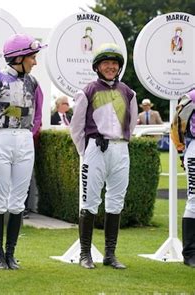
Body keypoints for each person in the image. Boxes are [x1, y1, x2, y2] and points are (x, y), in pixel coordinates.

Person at [0, 34, 46, 270]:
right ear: (19, 57)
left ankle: (11, 253)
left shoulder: (34, 84)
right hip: (0, 140)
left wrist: (28, 135)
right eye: (32, 57)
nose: (35, 62)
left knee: (17, 202)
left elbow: (38, 115)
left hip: (24, 141)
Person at [70, 43, 138, 270]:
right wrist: (85, 151)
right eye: (106, 63)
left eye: (114, 63)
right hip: (95, 149)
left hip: (120, 149)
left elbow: (133, 123)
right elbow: (76, 126)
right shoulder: (87, 91)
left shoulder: (128, 92)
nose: (111, 67)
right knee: (90, 202)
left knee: (116, 201)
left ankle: (110, 254)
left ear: (119, 67)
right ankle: (85, 254)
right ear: (97, 66)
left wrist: (121, 143)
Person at [172, 89, 195, 267]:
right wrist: (181, 150)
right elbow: (176, 124)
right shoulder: (191, 96)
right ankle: (190, 253)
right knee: (194, 199)